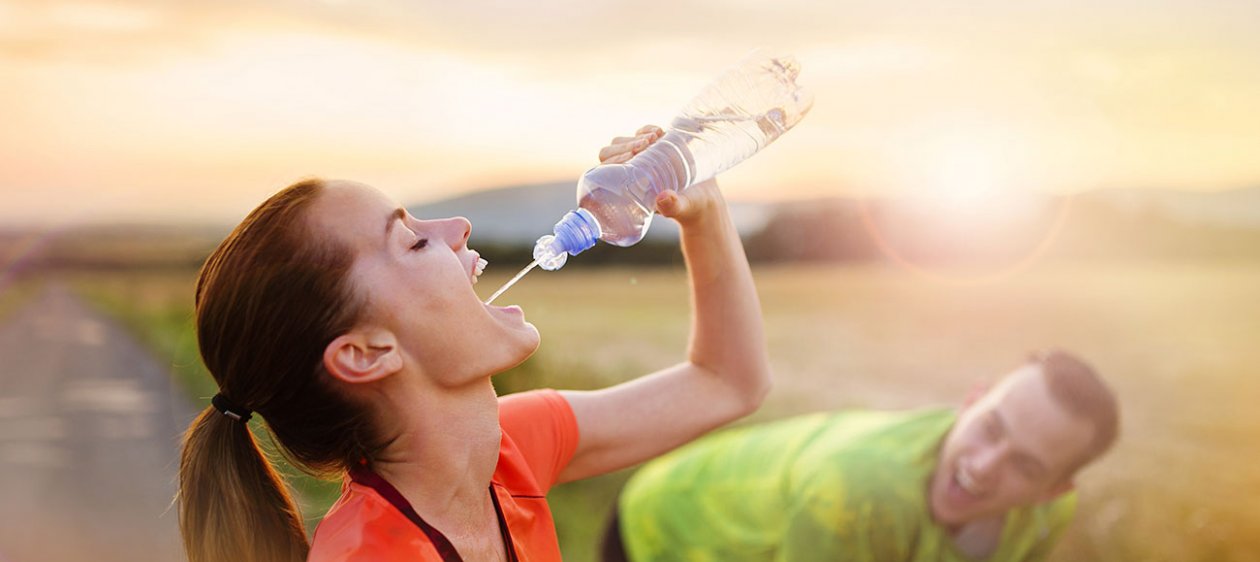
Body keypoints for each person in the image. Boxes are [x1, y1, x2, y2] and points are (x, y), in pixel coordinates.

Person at [176, 125, 772, 562]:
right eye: (410, 241)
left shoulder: (511, 452)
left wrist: (701, 206)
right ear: (367, 353)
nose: (457, 227)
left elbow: (727, 381)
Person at [605, 350, 1119, 562]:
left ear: (1055, 490)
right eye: (989, 427)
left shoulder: (1050, 517)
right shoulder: (855, 491)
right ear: (969, 402)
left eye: (1026, 466)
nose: (984, 468)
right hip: (666, 527)